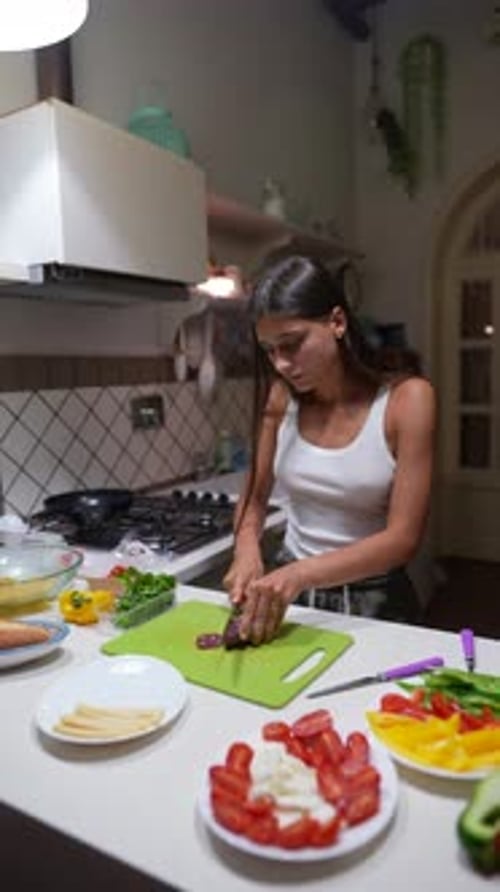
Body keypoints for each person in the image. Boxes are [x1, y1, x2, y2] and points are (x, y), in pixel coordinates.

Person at [223, 254, 436, 645]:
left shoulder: (408, 401)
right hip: (290, 596)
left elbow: (403, 538)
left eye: (292, 344)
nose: (281, 365)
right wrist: (246, 546)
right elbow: (254, 497)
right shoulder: (279, 398)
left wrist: (299, 574)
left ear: (336, 322)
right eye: (269, 351)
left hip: (373, 600)